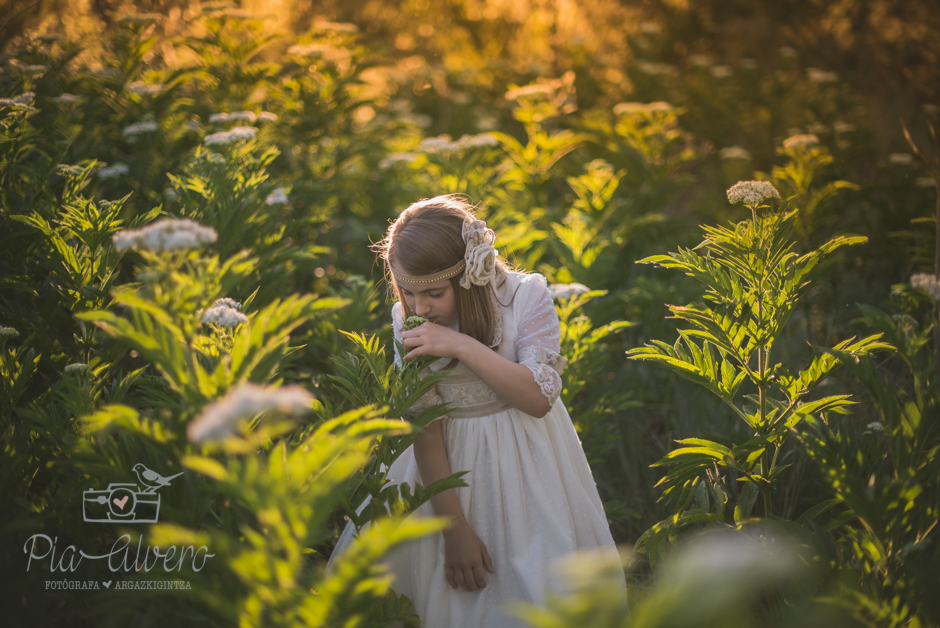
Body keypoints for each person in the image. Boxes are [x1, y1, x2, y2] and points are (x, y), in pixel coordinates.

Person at [325, 195, 626, 627]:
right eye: (407, 293)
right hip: (444, 478)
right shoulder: (406, 321)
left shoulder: (526, 298)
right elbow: (424, 431)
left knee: (536, 592)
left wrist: (461, 345)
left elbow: (537, 400)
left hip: (528, 471)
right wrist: (453, 530)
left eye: (433, 293)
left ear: (469, 276)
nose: (420, 309)